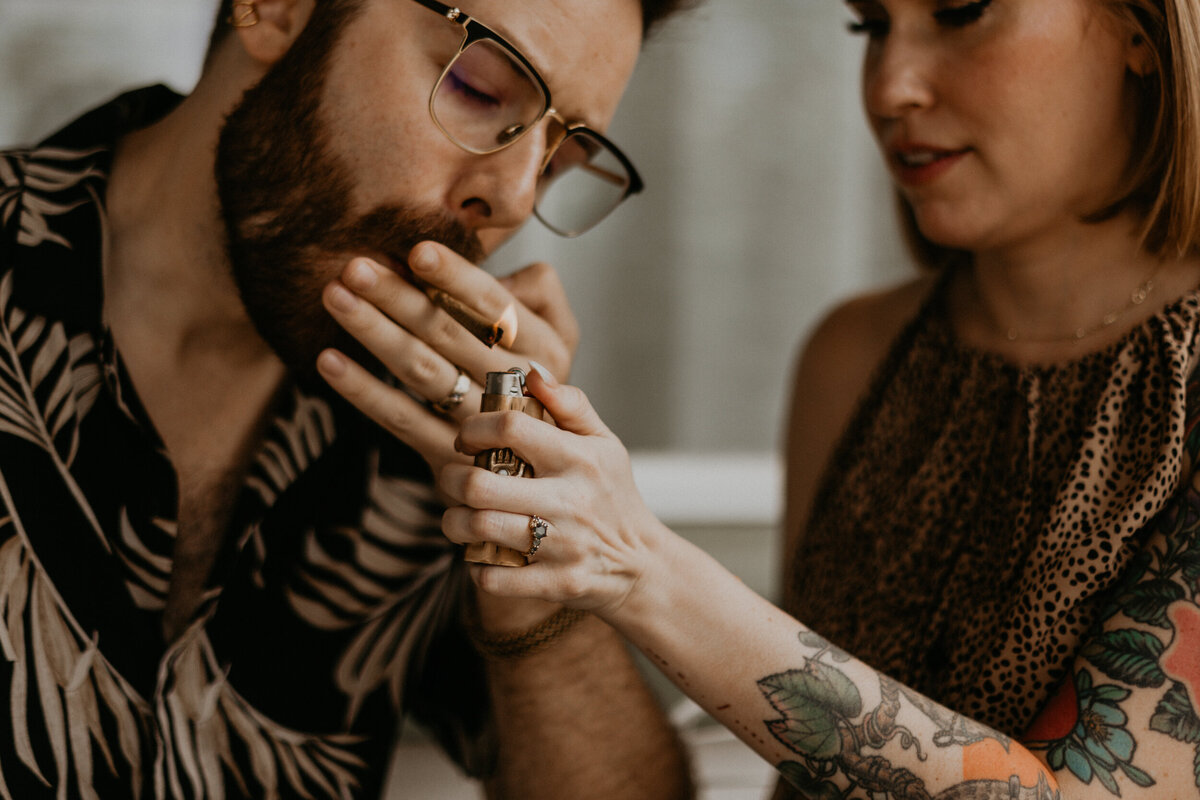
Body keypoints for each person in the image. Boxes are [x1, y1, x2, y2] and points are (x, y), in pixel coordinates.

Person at [324, 0, 1200, 796]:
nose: (890, 87)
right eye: (871, 27)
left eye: (961, 12)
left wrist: (636, 561)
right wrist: (528, 510)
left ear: (1141, 30)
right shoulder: (856, 357)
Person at [0, 0, 698, 797]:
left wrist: (537, 535)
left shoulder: (449, 442)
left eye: (555, 163)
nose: (511, 197)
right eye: (478, 88)